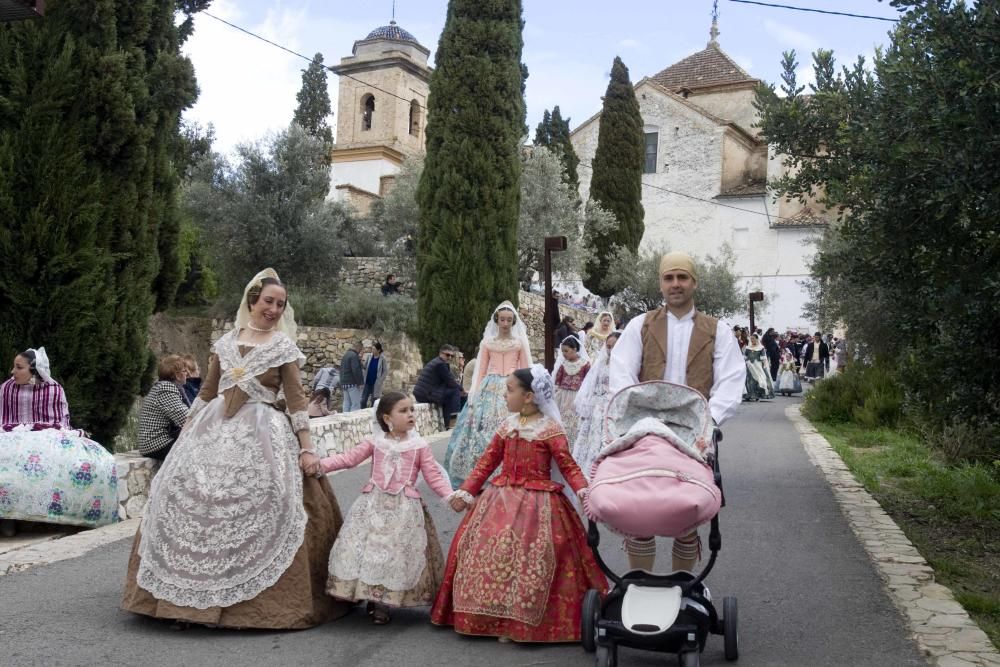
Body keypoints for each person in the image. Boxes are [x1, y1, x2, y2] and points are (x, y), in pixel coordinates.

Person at [121, 268, 350, 629]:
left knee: (266, 499)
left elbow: (295, 400)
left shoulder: (282, 347)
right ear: (252, 301)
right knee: (191, 500)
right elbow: (207, 393)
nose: (274, 309)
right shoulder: (225, 344)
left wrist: (306, 449)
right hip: (213, 430)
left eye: (281, 304)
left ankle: (244, 604)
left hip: (264, 431)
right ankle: (181, 601)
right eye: (268, 302)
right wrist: (187, 432)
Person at [431, 366, 608, 642]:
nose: (504, 395)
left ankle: (522, 622)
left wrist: (584, 490)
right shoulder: (507, 426)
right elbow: (487, 463)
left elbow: (568, 465)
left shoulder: (549, 430)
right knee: (491, 553)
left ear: (528, 396)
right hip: (500, 497)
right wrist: (466, 492)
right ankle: (494, 619)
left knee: (535, 556)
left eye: (510, 390)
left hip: (540, 503)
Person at [610, 251, 745, 573]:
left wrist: (707, 422)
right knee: (640, 512)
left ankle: (682, 588)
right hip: (644, 431)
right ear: (660, 283)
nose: (675, 284)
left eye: (682, 277)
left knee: (686, 516)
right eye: (669, 277)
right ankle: (641, 585)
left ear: (694, 282)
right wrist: (631, 421)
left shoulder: (718, 331)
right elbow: (621, 374)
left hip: (693, 435)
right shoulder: (639, 326)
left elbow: (731, 381)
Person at [319, 393, 455, 625]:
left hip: (405, 510)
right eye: (403, 411)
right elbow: (348, 459)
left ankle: (388, 598)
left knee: (396, 554)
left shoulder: (419, 446)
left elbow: (433, 475)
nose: (411, 414)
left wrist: (451, 496)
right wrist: (319, 465)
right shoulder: (375, 442)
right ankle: (372, 599)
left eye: (412, 409)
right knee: (368, 550)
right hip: (372, 505)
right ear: (386, 418)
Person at [0, 348, 119, 537]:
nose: (12, 371)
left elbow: (60, 423)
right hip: (11, 433)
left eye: (18, 367)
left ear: (34, 370)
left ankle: (69, 514)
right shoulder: (7, 388)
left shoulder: (53, 389)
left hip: (48, 433)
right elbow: (3, 420)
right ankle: (6, 518)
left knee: (72, 459)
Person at [443, 302, 531, 487]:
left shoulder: (519, 343)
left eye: (508, 320)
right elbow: (480, 370)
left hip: (512, 386)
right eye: (502, 319)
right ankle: (481, 470)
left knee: (510, 428)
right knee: (481, 428)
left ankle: (509, 467)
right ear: (496, 320)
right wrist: (473, 394)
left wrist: (527, 393)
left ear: (513, 321)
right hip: (489, 387)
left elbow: (525, 369)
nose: (505, 323)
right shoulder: (487, 343)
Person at [572, 331, 622, 479]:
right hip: (597, 408)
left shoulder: (625, 366)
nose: (611, 350)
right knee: (591, 440)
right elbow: (592, 384)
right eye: (608, 346)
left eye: (615, 346)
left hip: (614, 407)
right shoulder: (601, 363)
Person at [137, 355, 191, 461]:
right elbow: (185, 419)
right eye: (185, 371)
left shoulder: (162, 386)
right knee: (200, 450)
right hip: (157, 443)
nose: (188, 374)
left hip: (157, 441)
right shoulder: (166, 388)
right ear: (177, 375)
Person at [413, 345, 465, 429]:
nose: (450, 358)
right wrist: (462, 390)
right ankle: (454, 422)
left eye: (452, 356)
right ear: (440, 353)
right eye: (447, 355)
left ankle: (448, 424)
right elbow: (450, 382)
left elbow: (449, 381)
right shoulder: (440, 364)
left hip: (424, 393)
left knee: (450, 396)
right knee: (455, 391)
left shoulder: (437, 362)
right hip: (426, 394)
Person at [552, 335, 590, 445]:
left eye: (566, 351)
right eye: (562, 351)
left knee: (575, 421)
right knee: (563, 421)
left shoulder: (585, 365)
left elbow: (588, 382)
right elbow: (557, 381)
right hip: (563, 397)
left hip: (578, 397)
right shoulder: (563, 365)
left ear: (574, 349)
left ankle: (575, 443)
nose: (564, 353)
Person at [743, 333, 775, 400]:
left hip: (758, 366)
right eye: (751, 339)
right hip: (749, 366)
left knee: (759, 379)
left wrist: (764, 366)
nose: (752, 340)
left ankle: (759, 394)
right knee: (750, 380)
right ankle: (751, 395)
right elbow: (745, 357)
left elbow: (763, 358)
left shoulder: (761, 348)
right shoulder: (748, 348)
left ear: (757, 339)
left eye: (753, 338)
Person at [360, 342, 388, 409]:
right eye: (372, 349)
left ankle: (372, 414)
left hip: (376, 383)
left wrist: (381, 380)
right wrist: (360, 362)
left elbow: (385, 371)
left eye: (374, 349)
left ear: (378, 350)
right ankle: (362, 412)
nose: (372, 350)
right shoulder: (369, 356)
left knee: (374, 400)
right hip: (367, 381)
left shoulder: (382, 359)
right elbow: (365, 367)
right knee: (363, 400)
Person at [339, 341, 365, 413]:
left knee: (346, 403)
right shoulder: (354, 356)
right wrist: (360, 383)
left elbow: (341, 369)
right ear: (359, 348)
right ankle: (354, 422)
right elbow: (356, 370)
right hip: (352, 383)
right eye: (361, 349)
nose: (361, 351)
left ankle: (345, 420)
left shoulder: (346, 355)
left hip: (344, 383)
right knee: (355, 404)